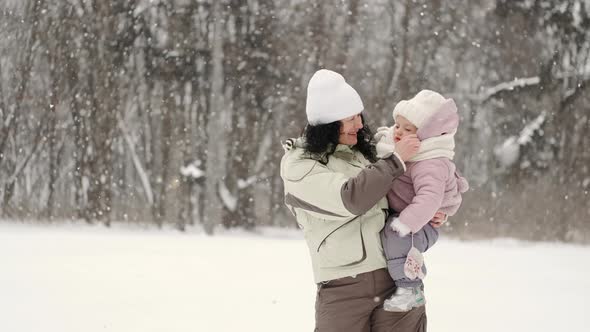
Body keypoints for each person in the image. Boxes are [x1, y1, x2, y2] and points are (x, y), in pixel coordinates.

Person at [280, 69, 446, 332]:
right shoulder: (300, 165)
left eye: (359, 116)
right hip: (343, 289)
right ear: (327, 124)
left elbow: (417, 183)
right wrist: (396, 161)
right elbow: (351, 198)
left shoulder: (368, 154)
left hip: (399, 278)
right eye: (349, 118)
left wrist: (437, 208)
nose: (359, 124)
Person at [374, 90, 469, 312]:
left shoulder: (430, 161)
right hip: (412, 216)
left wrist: (405, 224)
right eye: (398, 125)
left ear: (426, 135)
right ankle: (411, 271)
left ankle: (410, 289)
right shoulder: (392, 143)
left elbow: (430, 198)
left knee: (395, 235)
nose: (398, 132)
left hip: (421, 222)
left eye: (408, 129)